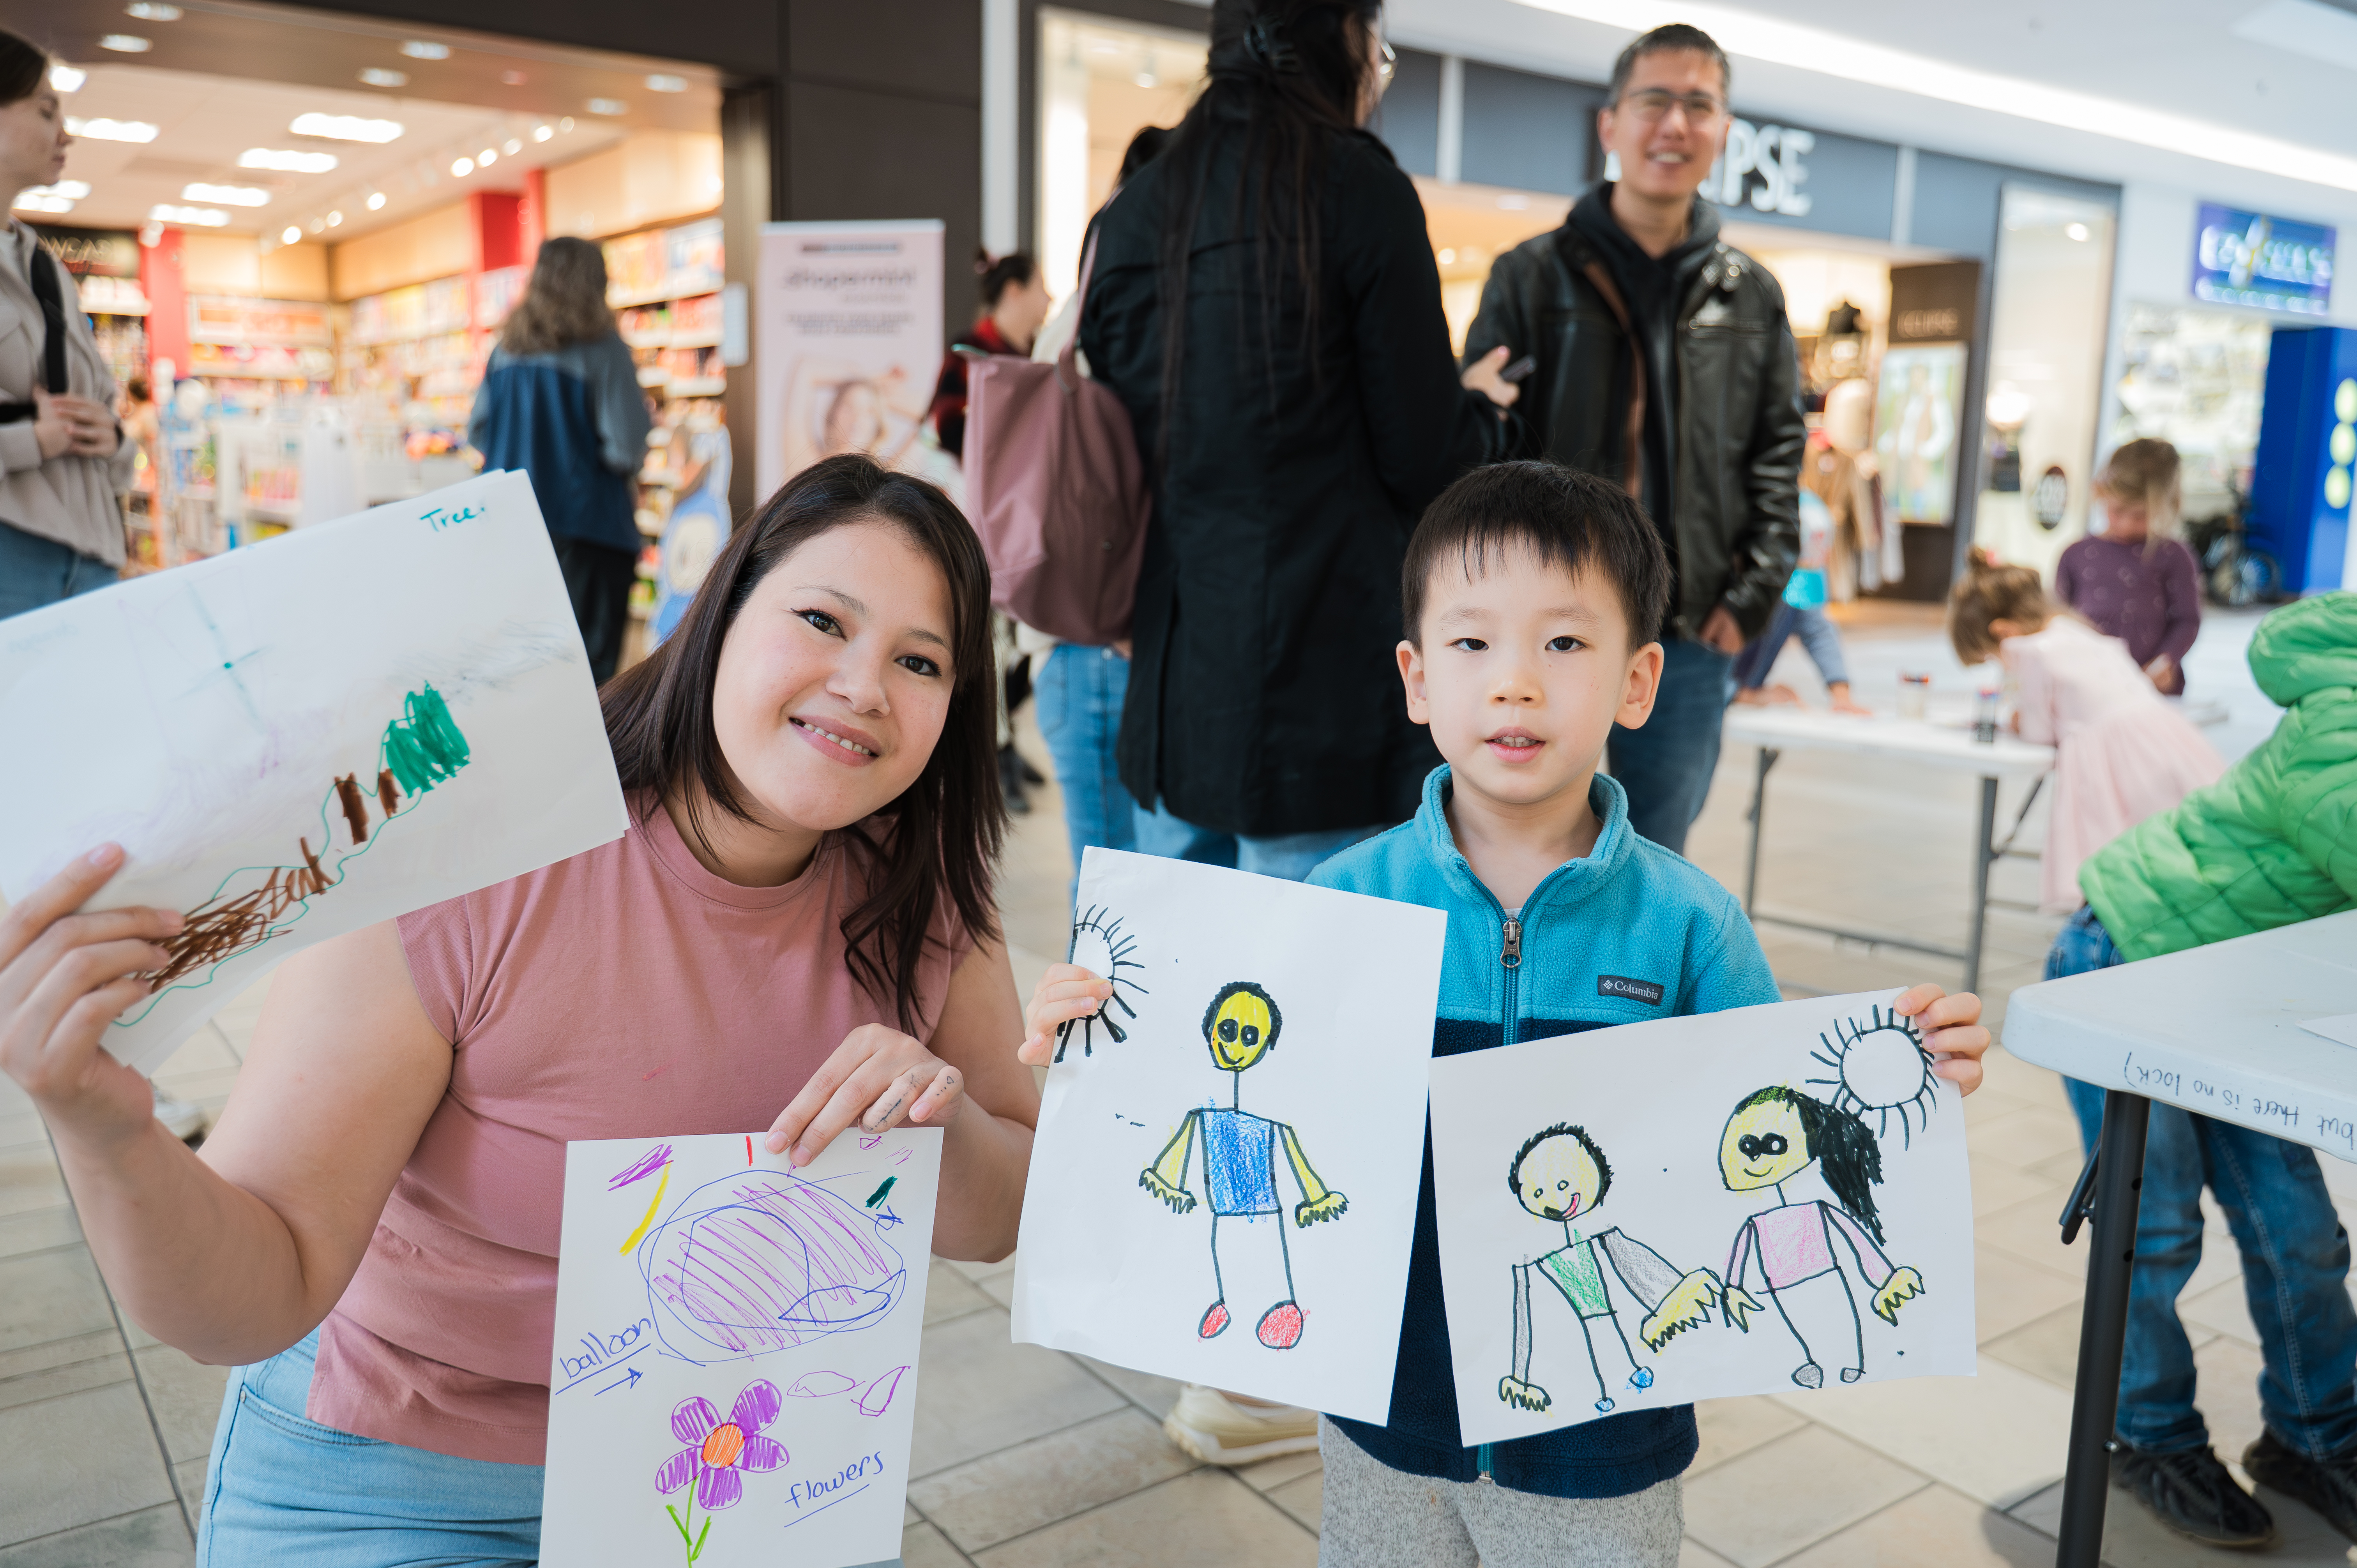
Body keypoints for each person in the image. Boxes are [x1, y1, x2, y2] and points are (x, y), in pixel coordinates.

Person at [0, 455, 1044, 1564]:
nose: (863, 686)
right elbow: (255, 1296)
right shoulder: (485, 848)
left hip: (731, 1467)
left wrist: (939, 1123)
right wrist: (108, 1130)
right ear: (718, 613)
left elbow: (1000, 1219)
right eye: (822, 620)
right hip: (399, 1478)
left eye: (919, 660)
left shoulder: (924, 897)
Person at [1022, 461, 1989, 1564]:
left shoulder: (1689, 925)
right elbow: (1229, 1095)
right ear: (1416, 677)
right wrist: (1104, 1045)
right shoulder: (1340, 905)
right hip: (1387, 1422)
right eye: (1473, 644)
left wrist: (1909, 1078)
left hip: (1605, 1441)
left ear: (1639, 683)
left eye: (1565, 645)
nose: (1516, 683)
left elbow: (1773, 1135)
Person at [1078, 0, 1522, 885]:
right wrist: (1479, 407)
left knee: (1180, 978)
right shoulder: (1357, 187)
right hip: (1321, 696)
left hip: (1173, 694)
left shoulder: (1137, 211)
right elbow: (1426, 457)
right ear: (1342, 40)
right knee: (1311, 997)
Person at [2055, 589, 2357, 1550]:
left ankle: (2315, 1434)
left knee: (2298, 1228)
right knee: (2152, 1223)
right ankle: (2148, 1431)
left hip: (2238, 994)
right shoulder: (2343, 728)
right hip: (2129, 963)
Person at [1462, 22, 1804, 855]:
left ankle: (1639, 990)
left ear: (1725, 133)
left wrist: (1751, 595)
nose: (1676, 125)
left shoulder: (1750, 295)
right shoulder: (1531, 275)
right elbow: (1477, 447)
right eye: (1655, 101)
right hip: (1549, 618)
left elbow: (1777, 454)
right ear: (1610, 123)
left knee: (1657, 851)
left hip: (1687, 632)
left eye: (1700, 106)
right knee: (1520, 834)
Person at [1946, 553, 2223, 914]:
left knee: (2110, 854)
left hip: (2111, 755)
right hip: (2162, 734)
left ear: (2003, 632)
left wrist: (2017, 720)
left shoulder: (2029, 650)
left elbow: (2038, 731)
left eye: (1990, 657)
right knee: (2165, 842)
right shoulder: (2076, 630)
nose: (2000, 662)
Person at [466, 236, 654, 685]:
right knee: (590, 674)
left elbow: (478, 430)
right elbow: (626, 445)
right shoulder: (604, 349)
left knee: (524, 664)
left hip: (512, 527)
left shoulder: (506, 350)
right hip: (589, 529)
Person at [0, 28, 136, 618]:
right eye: (46, 109)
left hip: (94, 559)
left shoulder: (44, 267)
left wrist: (113, 438)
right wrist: (33, 437)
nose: (66, 134)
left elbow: (100, 403)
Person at [2055, 437, 2201, 696]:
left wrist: (2165, 661)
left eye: (2141, 516)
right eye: (2118, 510)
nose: (2126, 524)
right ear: (2100, 493)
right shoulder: (2074, 555)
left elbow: (2186, 620)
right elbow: (2058, 620)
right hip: (2088, 684)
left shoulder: (2173, 556)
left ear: (2167, 507)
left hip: (2150, 686)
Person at [1730, 491, 1868, 714]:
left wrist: (1840, 693)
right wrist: (1740, 693)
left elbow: (1817, 629)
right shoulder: (1730, 589)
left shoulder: (1799, 584)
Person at [927, 250, 1053, 462]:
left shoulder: (1043, 353)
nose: (1050, 298)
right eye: (1040, 287)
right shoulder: (969, 352)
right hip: (981, 485)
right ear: (1014, 290)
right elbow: (948, 426)